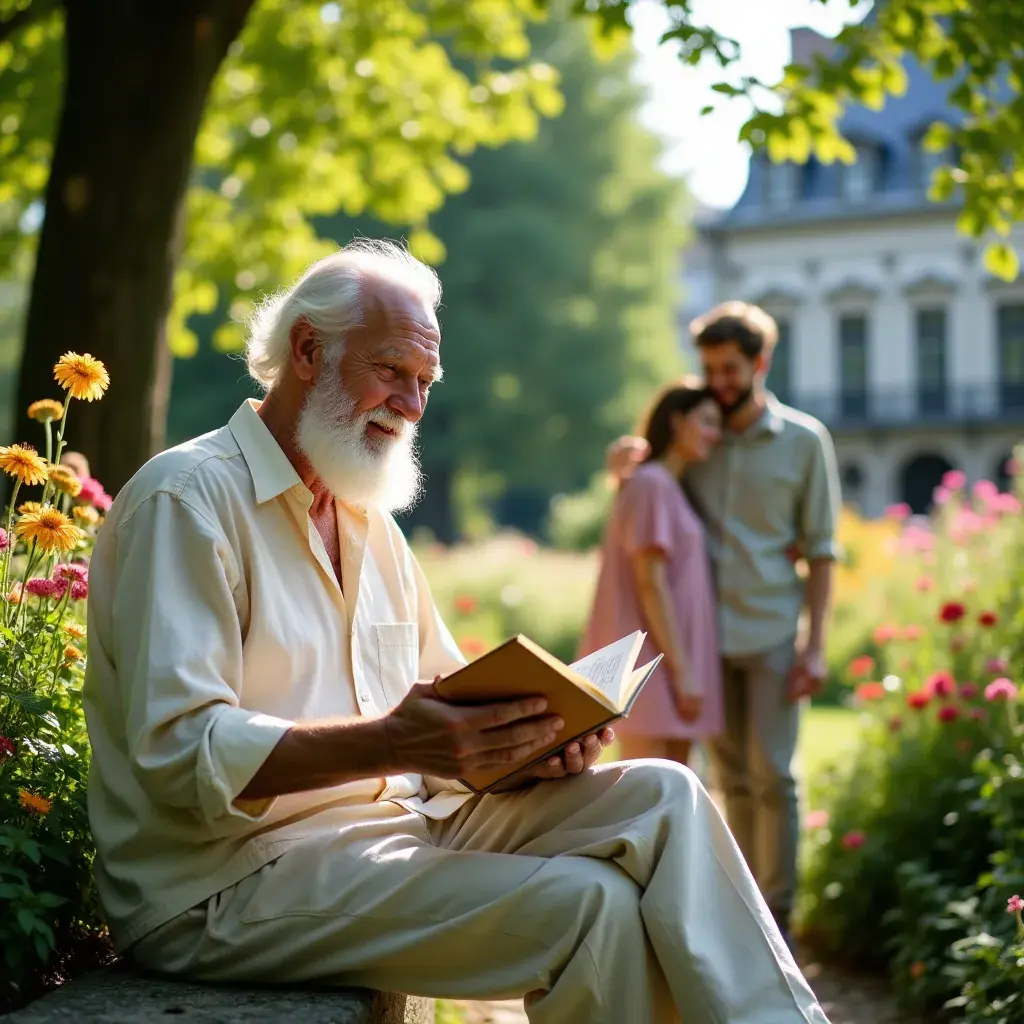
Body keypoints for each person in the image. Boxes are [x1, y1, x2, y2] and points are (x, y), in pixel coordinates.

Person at [84, 243, 830, 1024]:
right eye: (393, 371)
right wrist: (394, 744)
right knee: (592, 906)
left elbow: (445, 715)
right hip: (224, 882)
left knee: (665, 793)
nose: (410, 404)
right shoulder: (186, 500)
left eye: (425, 383)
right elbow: (179, 753)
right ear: (308, 351)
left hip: (395, 827)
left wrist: (531, 748)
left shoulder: (367, 519)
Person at [607, 301, 841, 945]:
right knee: (728, 777)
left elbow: (822, 551)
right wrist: (623, 465)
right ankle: (746, 914)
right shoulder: (698, 436)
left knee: (775, 776)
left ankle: (781, 921)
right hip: (704, 640)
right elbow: (649, 482)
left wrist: (815, 645)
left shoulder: (803, 441)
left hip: (768, 631)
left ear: (761, 363)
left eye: (732, 368)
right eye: (710, 368)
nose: (720, 380)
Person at [579, 380, 723, 769]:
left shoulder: (663, 485)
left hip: (669, 667)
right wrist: (683, 674)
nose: (716, 433)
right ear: (677, 421)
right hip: (654, 669)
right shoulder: (653, 484)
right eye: (707, 421)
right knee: (647, 798)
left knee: (671, 798)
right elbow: (650, 583)